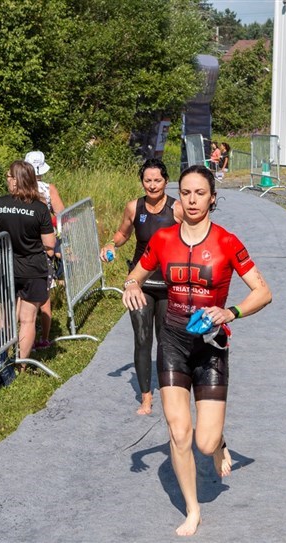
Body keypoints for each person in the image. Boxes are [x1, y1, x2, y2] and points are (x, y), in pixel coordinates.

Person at [122, 165, 272, 536]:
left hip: (211, 345)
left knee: (204, 442)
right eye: (186, 192)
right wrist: (129, 286)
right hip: (172, 339)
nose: (191, 200)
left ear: (212, 198)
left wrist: (230, 311)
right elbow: (135, 274)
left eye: (199, 193)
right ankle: (192, 510)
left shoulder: (227, 241)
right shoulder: (163, 240)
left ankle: (219, 442)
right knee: (178, 432)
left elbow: (263, 292)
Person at [100, 158, 184, 415]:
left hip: (169, 284)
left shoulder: (177, 209)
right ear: (142, 182)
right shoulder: (134, 207)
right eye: (147, 180)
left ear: (166, 182)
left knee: (166, 339)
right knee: (142, 337)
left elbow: (193, 236)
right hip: (140, 282)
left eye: (157, 180)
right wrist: (111, 244)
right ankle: (146, 397)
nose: (152, 185)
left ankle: (172, 390)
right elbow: (123, 234)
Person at [0, 161, 56, 364]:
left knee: (5, 315)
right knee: (28, 319)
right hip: (32, 268)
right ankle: (22, 365)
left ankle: (1, 360)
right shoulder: (39, 208)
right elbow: (50, 243)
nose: (7, 180)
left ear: (17, 180)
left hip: (5, 266)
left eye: (9, 177)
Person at [24, 150, 65, 349]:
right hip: (44, 245)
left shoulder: (19, 189)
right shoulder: (49, 189)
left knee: (22, 296)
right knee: (44, 295)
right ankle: (44, 337)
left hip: (23, 245)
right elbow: (61, 214)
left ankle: (22, 339)